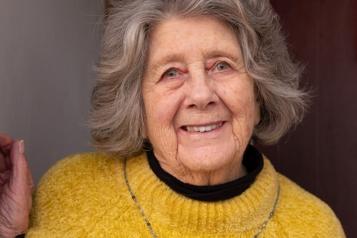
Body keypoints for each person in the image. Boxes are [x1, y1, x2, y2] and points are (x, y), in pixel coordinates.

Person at [0, 0, 346, 237]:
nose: (200, 95)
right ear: (137, 102)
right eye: (170, 73)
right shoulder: (67, 190)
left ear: (260, 89)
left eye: (221, 65)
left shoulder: (314, 226)